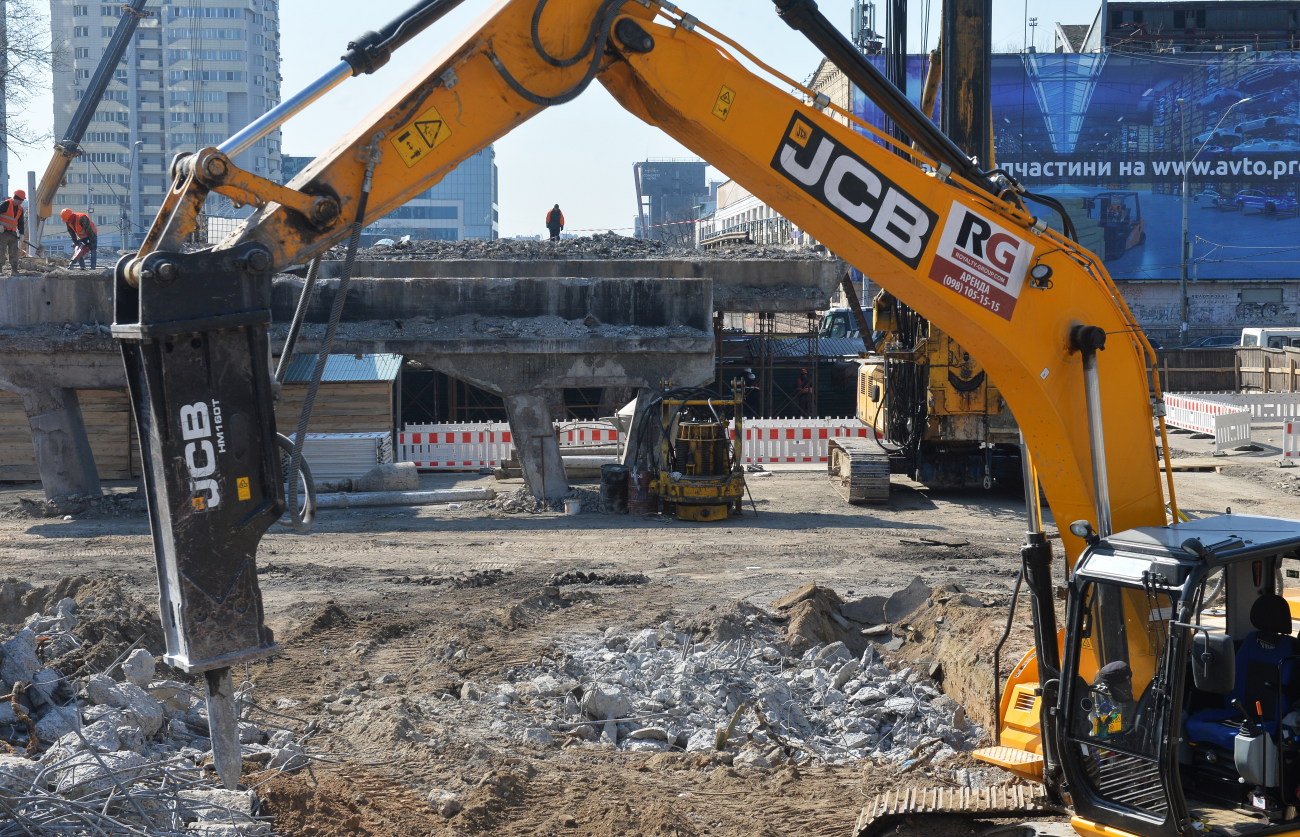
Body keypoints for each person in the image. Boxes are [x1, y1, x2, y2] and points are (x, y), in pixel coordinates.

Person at [0, 190, 26, 275]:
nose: (22, 202)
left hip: (13, 233)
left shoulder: (20, 209)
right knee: (1, 250)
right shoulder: (6, 204)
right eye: (21, 200)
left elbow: (21, 222)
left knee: (14, 251)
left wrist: (21, 233)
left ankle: (14, 270)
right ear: (18, 199)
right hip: (2, 232)